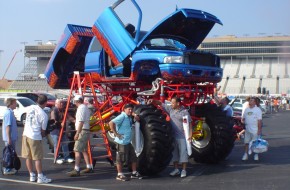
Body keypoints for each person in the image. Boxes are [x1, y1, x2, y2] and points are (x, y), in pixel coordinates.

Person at [149, 97, 192, 178]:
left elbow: (189, 124)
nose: (171, 104)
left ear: (178, 103)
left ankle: (183, 170)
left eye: (173, 103)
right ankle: (176, 169)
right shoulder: (171, 110)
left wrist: (190, 135)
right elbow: (161, 104)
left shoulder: (184, 112)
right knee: (174, 154)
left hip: (182, 137)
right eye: (171, 103)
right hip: (173, 137)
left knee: (183, 154)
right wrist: (153, 101)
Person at [21, 94, 52, 183]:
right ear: (45, 103)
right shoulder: (43, 115)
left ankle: (31, 175)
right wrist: (43, 136)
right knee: (37, 158)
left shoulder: (31, 107)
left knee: (28, 157)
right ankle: (40, 176)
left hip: (25, 134)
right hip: (34, 136)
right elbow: (43, 130)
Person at [109, 103, 142, 181]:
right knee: (120, 159)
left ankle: (134, 173)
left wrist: (134, 114)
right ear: (124, 110)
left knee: (133, 157)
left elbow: (136, 118)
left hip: (128, 141)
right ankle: (119, 174)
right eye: (129, 109)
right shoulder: (122, 116)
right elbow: (111, 123)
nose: (130, 111)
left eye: (131, 109)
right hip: (121, 142)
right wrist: (116, 133)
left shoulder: (129, 117)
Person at [67, 95, 93, 177]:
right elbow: (80, 121)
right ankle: (89, 166)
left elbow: (81, 122)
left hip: (82, 131)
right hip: (85, 130)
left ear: (76, 101)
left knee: (77, 150)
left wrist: (77, 133)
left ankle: (76, 169)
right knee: (84, 150)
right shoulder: (84, 107)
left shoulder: (81, 108)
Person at [50, 99, 74, 164]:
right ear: (56, 104)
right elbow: (53, 120)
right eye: (61, 103)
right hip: (55, 130)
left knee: (65, 143)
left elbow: (69, 117)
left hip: (62, 130)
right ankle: (57, 158)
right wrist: (59, 123)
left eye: (62, 103)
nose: (62, 104)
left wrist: (76, 121)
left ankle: (67, 157)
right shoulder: (54, 110)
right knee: (57, 144)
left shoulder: (63, 110)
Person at [241, 97, 262, 161]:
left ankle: (256, 154)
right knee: (246, 143)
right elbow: (243, 118)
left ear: (255, 102)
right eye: (250, 100)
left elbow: (259, 121)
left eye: (252, 100)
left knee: (255, 143)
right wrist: (243, 120)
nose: (250, 101)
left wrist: (259, 130)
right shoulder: (246, 109)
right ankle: (246, 154)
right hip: (247, 129)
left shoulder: (257, 110)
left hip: (255, 129)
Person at [2, 98, 18, 175]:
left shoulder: (10, 112)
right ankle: (7, 169)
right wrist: (9, 138)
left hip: (11, 137)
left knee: (11, 153)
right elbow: (8, 126)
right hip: (10, 138)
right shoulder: (8, 113)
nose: (16, 104)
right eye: (15, 103)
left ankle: (9, 168)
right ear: (11, 104)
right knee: (8, 153)